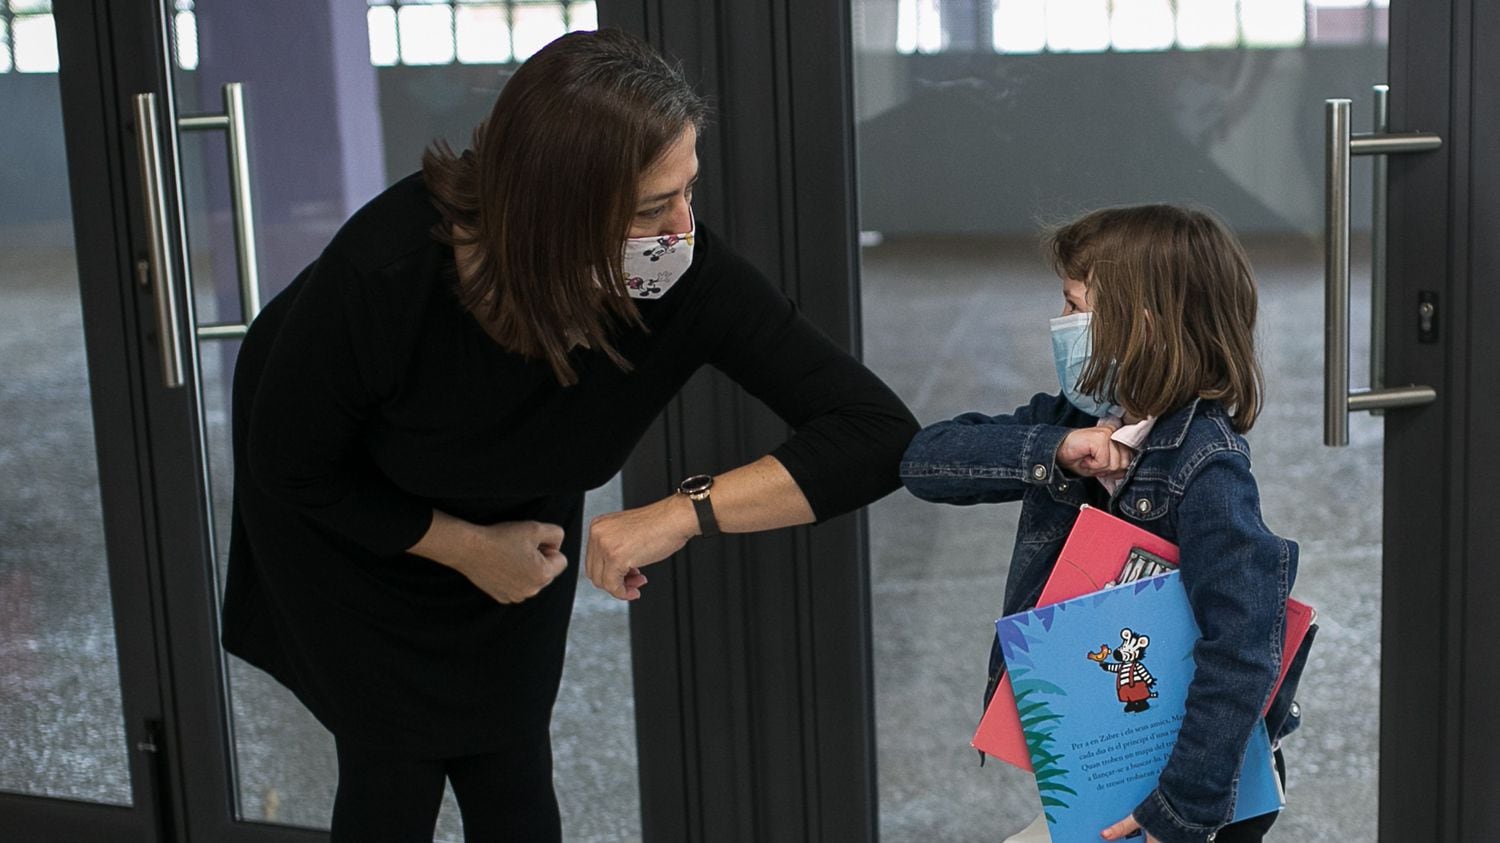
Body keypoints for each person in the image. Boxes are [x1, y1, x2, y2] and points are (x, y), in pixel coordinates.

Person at [224, 29, 918, 842]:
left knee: (510, 754)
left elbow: (875, 431)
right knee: (392, 766)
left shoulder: (684, 278)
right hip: (354, 526)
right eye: (653, 206)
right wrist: (469, 547)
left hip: (521, 512)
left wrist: (675, 515)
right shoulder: (386, 273)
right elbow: (293, 467)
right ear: (556, 208)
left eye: (688, 190)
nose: (681, 228)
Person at [899, 205, 1308, 843]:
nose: (1059, 324)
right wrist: (1054, 450)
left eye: (1072, 306)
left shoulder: (1206, 466)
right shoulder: (1070, 417)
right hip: (1113, 762)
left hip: (1189, 787)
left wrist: (1182, 807)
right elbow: (925, 462)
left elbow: (1244, 645)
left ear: (1140, 326)